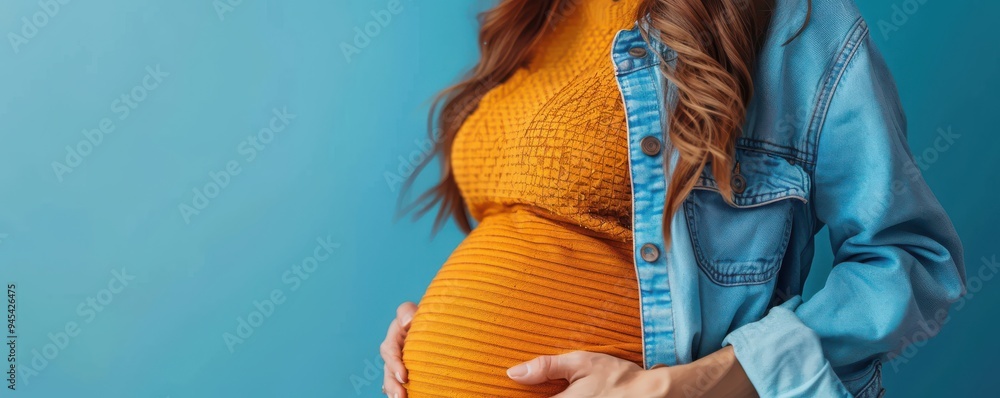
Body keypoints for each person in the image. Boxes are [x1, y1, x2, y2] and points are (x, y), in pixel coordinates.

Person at [380, 0, 966, 396]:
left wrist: (690, 385)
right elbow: (540, 228)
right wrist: (435, 328)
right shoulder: (539, 18)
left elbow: (913, 261)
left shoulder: (794, 24)